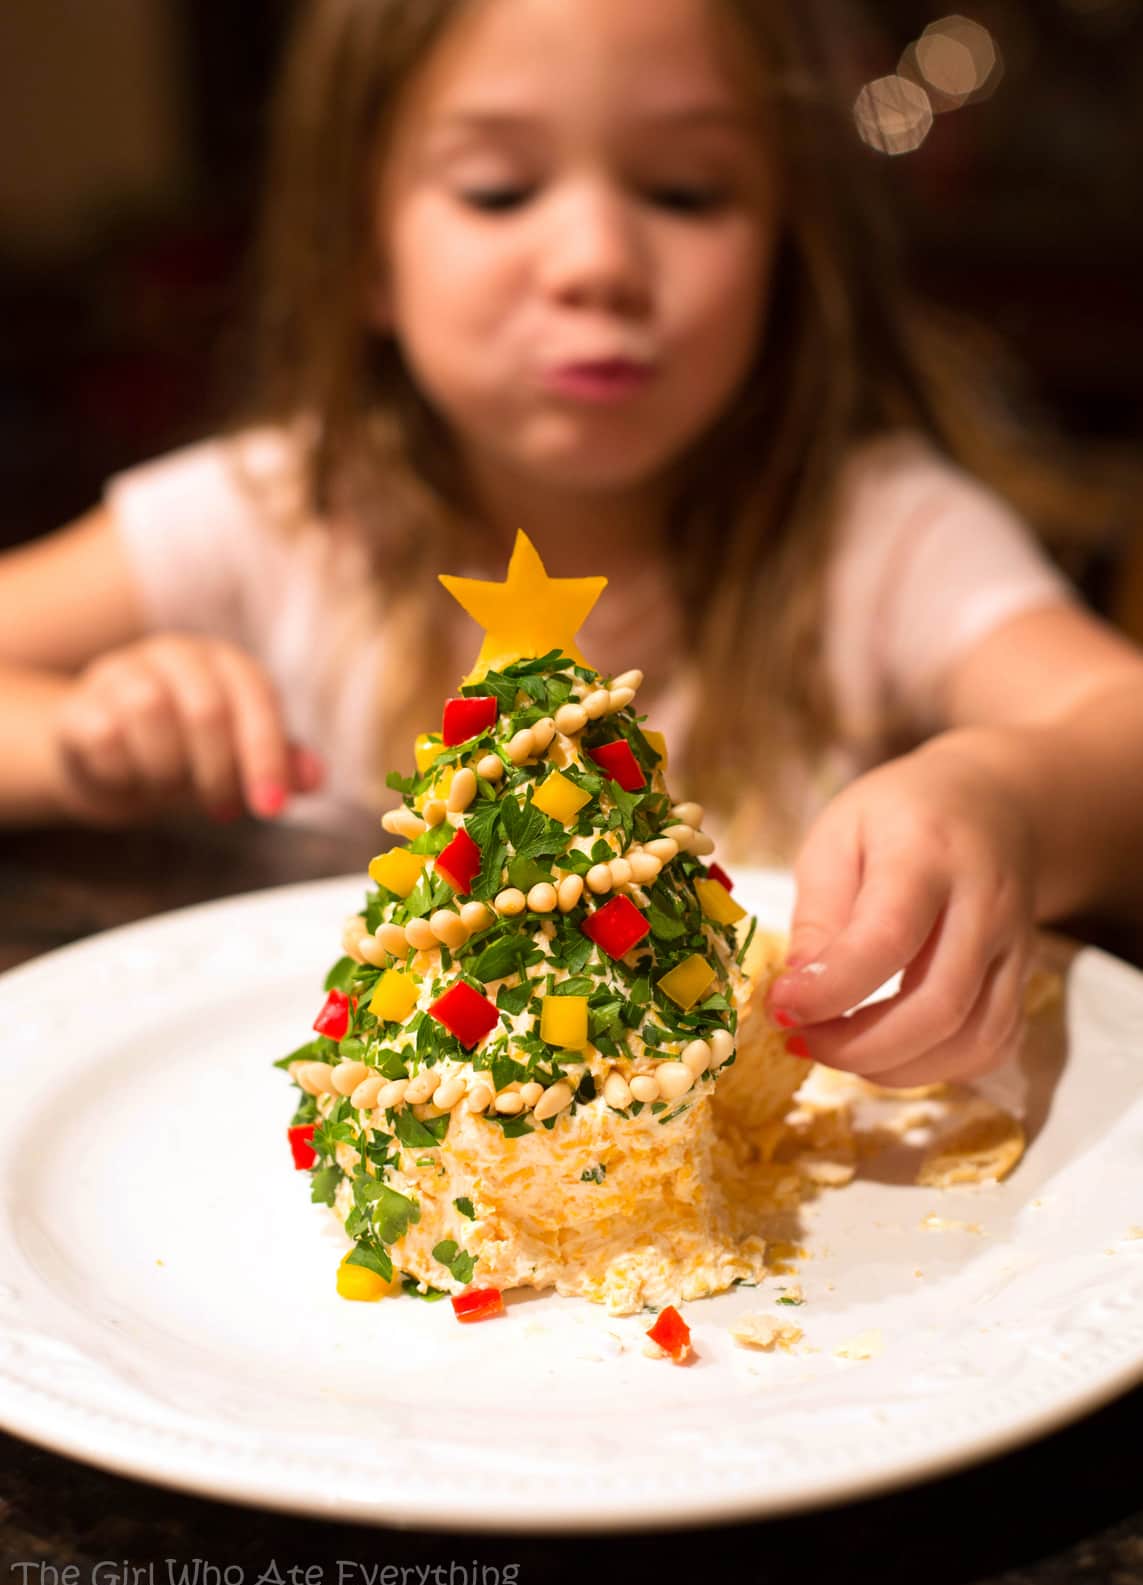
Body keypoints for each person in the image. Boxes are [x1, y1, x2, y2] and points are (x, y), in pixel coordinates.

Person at [2, 0, 1142, 1092]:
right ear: (363, 254)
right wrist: (79, 740)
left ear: (788, 247)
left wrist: (1006, 797)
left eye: (687, 192)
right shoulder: (266, 516)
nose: (597, 259)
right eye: (499, 190)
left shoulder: (874, 538)